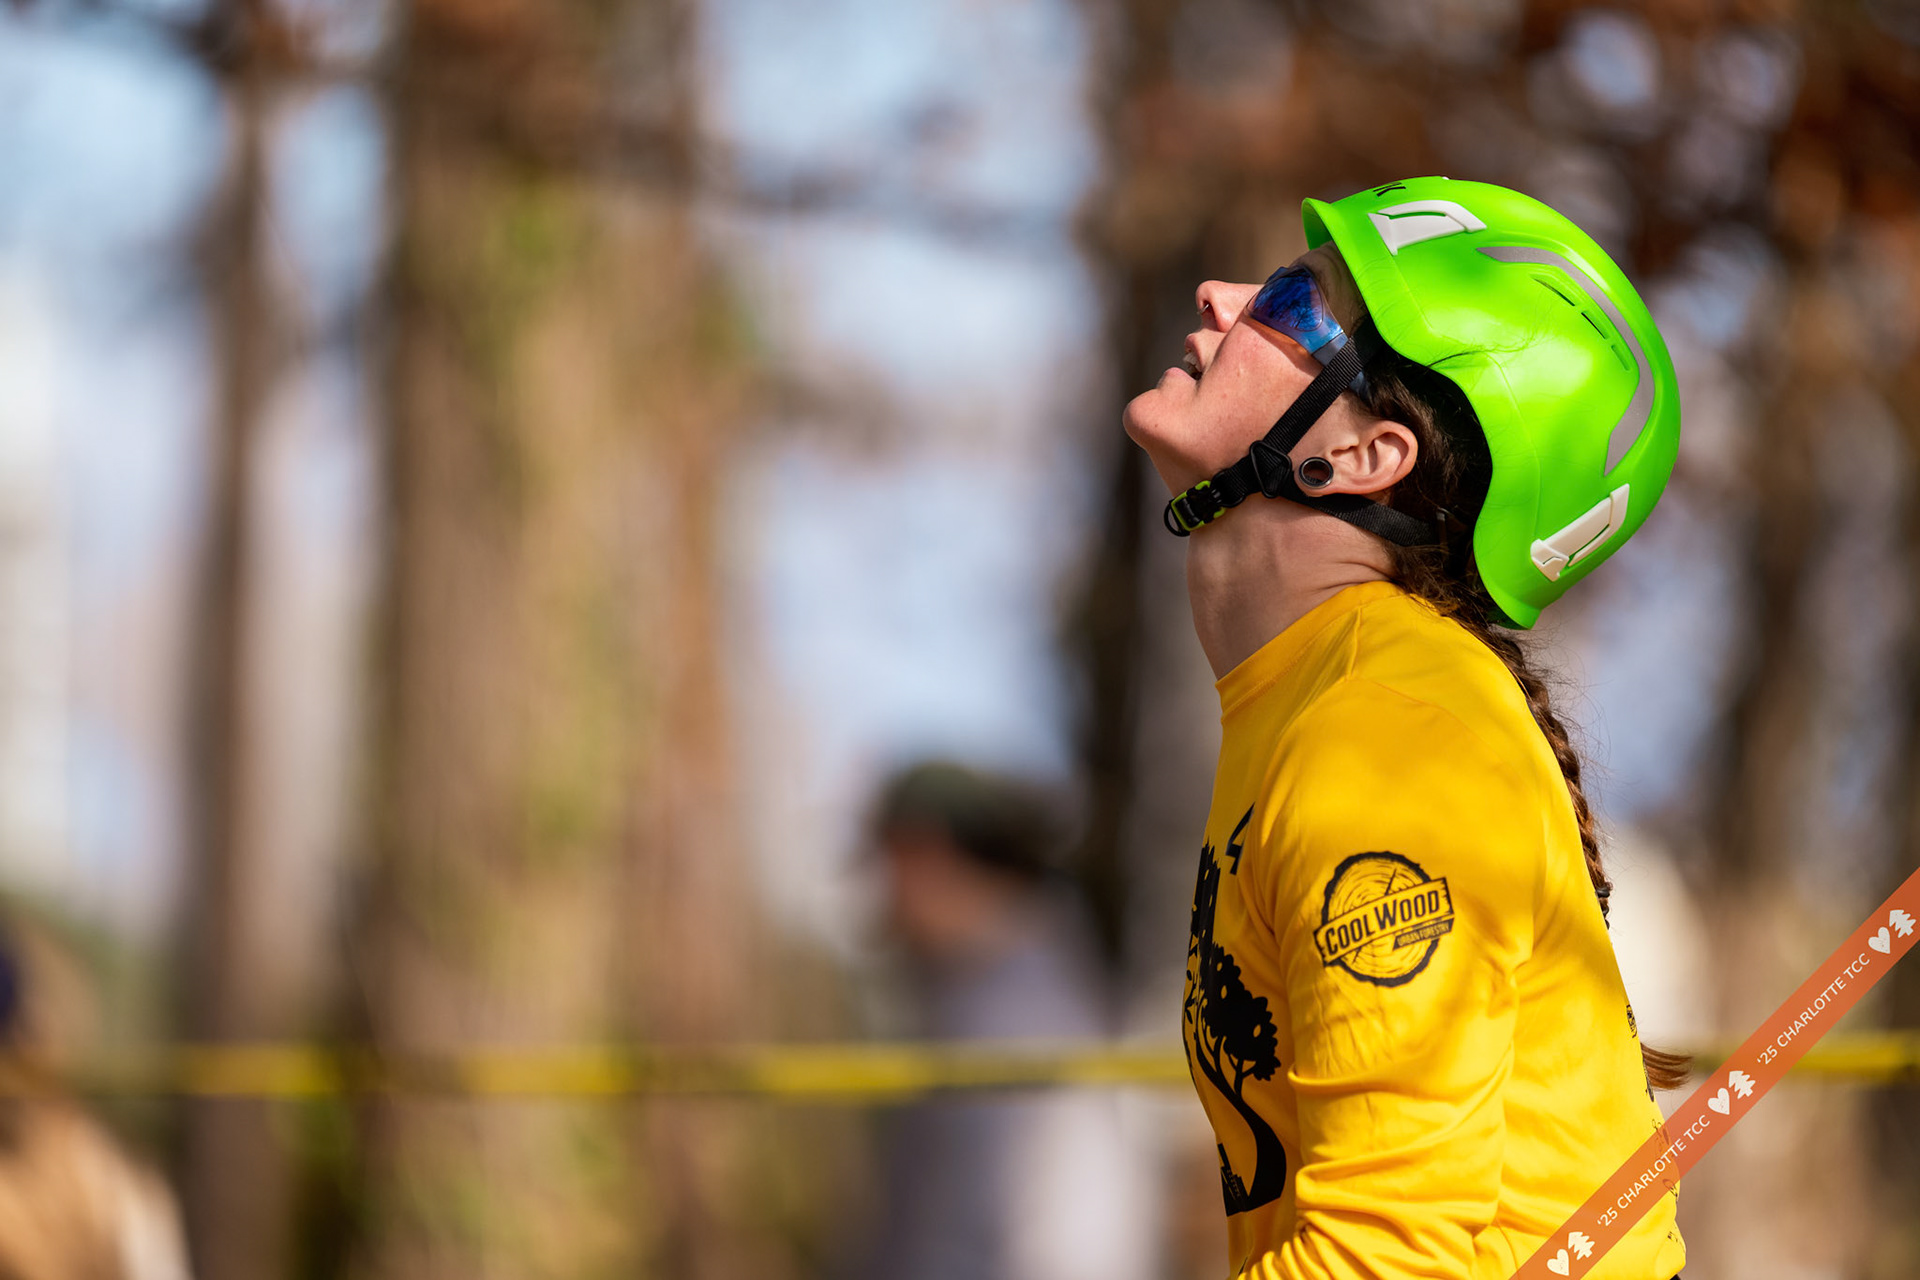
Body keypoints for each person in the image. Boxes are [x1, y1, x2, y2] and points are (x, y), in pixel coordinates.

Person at [1123, 178, 1690, 1279]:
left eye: (1290, 304)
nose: (1220, 294)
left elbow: (1389, 1258)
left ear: (1367, 457)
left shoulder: (1388, 732)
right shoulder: (1317, 698)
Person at [860, 761, 1154, 1280]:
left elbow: (1071, 1251)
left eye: (886, 865)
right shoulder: (976, 997)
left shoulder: (1019, 1017)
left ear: (926, 855)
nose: (879, 899)